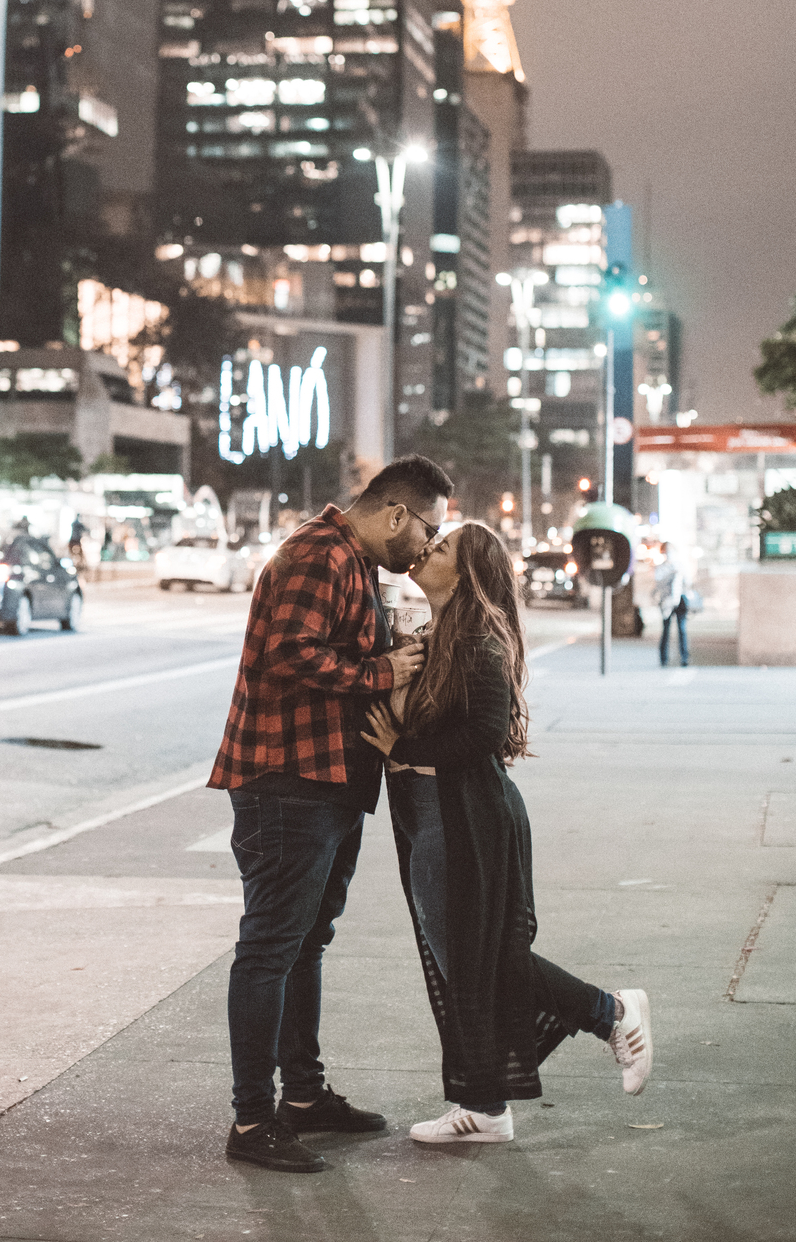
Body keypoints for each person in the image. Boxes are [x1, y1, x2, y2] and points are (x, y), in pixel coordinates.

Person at [360, 521, 654, 1145]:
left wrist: (403, 747)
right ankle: (487, 1106)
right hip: (434, 814)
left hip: (465, 817)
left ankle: (610, 1013)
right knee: (466, 963)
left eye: (442, 548)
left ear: (465, 574)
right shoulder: (438, 636)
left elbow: (485, 735)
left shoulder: (475, 640)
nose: (427, 549)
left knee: (479, 962)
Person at [210, 454, 454, 1174]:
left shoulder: (350, 559)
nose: (428, 548)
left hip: (325, 781)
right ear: (396, 514)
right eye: (428, 531)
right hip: (287, 780)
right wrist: (382, 672)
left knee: (306, 940)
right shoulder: (320, 554)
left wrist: (391, 653)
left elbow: (331, 648)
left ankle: (305, 1098)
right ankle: (253, 1121)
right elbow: (291, 653)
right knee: (270, 947)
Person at [655, 542, 689, 667]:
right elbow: (658, 583)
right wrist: (671, 575)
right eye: (666, 551)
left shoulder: (680, 565)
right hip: (666, 602)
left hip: (680, 600)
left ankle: (684, 657)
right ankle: (663, 658)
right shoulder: (660, 568)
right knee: (666, 630)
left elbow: (687, 581)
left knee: (682, 629)